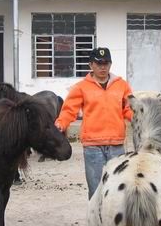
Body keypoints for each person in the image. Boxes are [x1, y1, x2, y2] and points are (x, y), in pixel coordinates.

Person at [55, 47, 133, 199]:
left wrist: (138, 118)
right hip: (92, 146)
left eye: (106, 63)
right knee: (96, 190)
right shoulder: (81, 87)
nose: (103, 67)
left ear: (110, 65)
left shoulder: (122, 85)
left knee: (118, 188)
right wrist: (60, 124)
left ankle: (114, 222)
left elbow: (128, 109)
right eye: (99, 64)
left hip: (116, 145)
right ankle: (96, 221)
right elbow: (69, 110)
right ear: (91, 65)